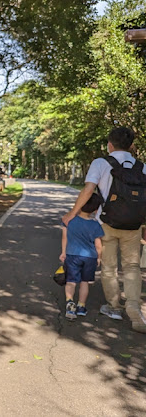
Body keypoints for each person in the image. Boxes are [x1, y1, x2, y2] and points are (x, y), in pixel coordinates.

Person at [62, 127, 146, 333]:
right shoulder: (143, 167)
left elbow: (89, 189)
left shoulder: (101, 163)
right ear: (132, 146)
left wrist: (73, 213)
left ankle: (114, 307)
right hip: (133, 225)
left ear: (109, 144)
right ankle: (134, 306)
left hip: (105, 223)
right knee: (132, 266)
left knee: (109, 267)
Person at [59, 193, 104, 320]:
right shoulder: (95, 225)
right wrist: (98, 257)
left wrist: (63, 252)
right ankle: (81, 306)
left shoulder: (69, 220)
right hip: (90, 257)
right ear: (96, 209)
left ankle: (69, 303)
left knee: (71, 281)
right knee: (85, 282)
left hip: (72, 255)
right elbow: (98, 244)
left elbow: (64, 237)